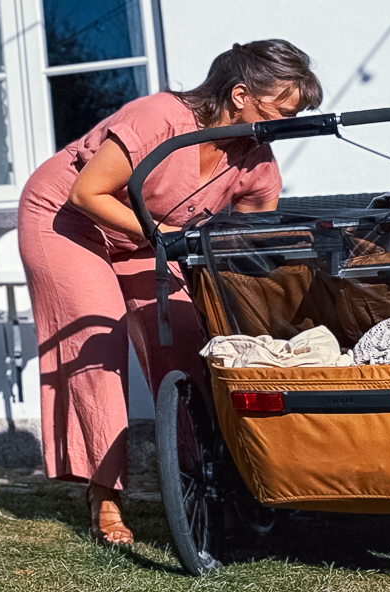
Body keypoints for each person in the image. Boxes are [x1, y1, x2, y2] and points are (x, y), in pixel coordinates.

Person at [17, 41, 316, 545]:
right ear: (240, 95)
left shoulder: (255, 159)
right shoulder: (161, 117)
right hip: (68, 220)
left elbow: (248, 244)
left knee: (185, 340)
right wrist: (167, 235)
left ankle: (203, 481)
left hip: (147, 236)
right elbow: (86, 193)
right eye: (281, 112)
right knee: (101, 337)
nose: (285, 126)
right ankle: (104, 496)